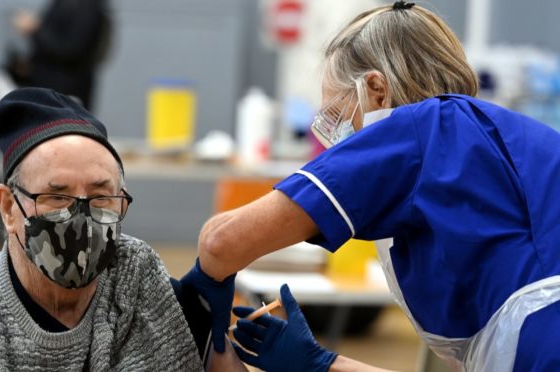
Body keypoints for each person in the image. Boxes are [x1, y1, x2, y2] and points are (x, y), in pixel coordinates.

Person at [181, 1, 560, 371]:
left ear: (377, 90)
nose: (339, 143)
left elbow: (221, 241)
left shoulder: (422, 128)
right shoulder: (504, 142)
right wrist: (324, 363)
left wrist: (202, 295)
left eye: (336, 119)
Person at [0, 87, 245, 371]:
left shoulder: (139, 280)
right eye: (57, 196)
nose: (81, 217)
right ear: (8, 207)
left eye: (101, 197)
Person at [12, 0, 111, 109]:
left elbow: (70, 48)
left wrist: (35, 29)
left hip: (66, 90)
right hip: (48, 86)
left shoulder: (87, 5)